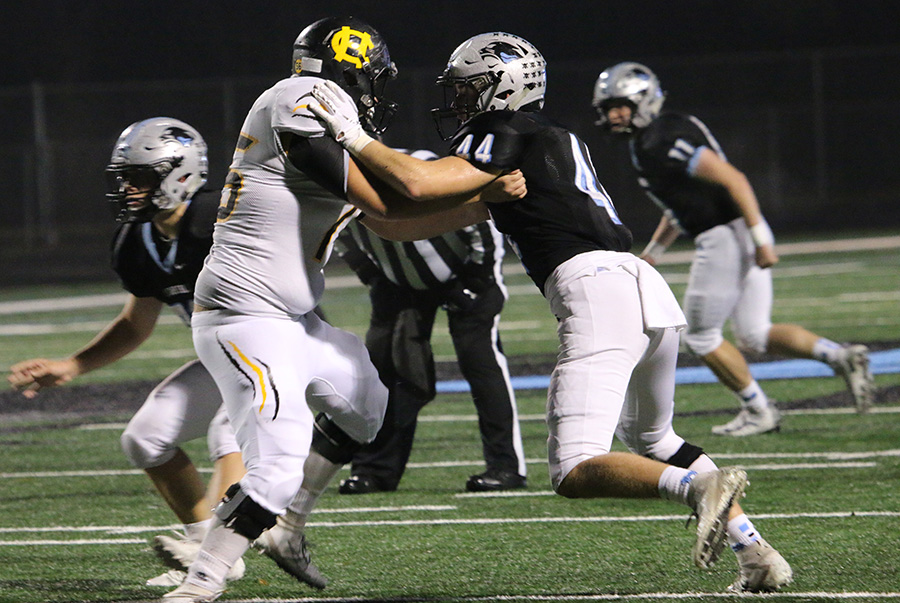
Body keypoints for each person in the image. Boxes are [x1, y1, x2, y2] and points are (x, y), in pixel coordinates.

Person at [309, 31, 792, 593]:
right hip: (641, 288)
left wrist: (348, 137)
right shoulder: (539, 144)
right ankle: (755, 554)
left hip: (595, 292)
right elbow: (414, 218)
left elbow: (417, 182)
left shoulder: (504, 130)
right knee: (656, 440)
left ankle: (697, 490)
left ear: (505, 87)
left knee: (574, 469)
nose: (460, 103)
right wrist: (357, 208)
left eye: (469, 90)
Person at [163, 17, 526, 603]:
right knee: (276, 469)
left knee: (369, 406)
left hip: (293, 320)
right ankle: (200, 584)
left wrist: (477, 209)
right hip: (246, 317)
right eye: (374, 78)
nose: (376, 92)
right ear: (350, 67)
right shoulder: (302, 97)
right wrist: (480, 188)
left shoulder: (316, 118)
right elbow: (395, 195)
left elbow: (387, 223)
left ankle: (285, 527)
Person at [5, 117, 247, 586]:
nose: (128, 189)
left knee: (228, 432)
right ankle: (207, 547)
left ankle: (214, 552)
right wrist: (73, 364)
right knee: (145, 439)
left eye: (139, 177)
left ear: (179, 174)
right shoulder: (137, 241)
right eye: (125, 178)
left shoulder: (223, 221)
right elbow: (136, 323)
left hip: (283, 353)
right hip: (224, 359)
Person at [591, 62, 876, 435]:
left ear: (642, 100)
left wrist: (760, 241)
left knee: (700, 336)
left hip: (725, 236)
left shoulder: (660, 138)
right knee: (755, 333)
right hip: (735, 230)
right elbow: (683, 205)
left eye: (620, 105)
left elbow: (732, 178)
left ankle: (759, 411)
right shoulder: (658, 135)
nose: (613, 114)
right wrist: (654, 253)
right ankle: (838, 356)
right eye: (608, 107)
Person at [335, 187, 527, 494]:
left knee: (479, 360)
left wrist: (475, 279)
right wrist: (372, 273)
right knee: (386, 370)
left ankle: (506, 466)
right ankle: (375, 470)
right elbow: (335, 232)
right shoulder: (338, 186)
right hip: (398, 281)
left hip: (464, 272)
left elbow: (479, 218)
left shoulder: (417, 171)